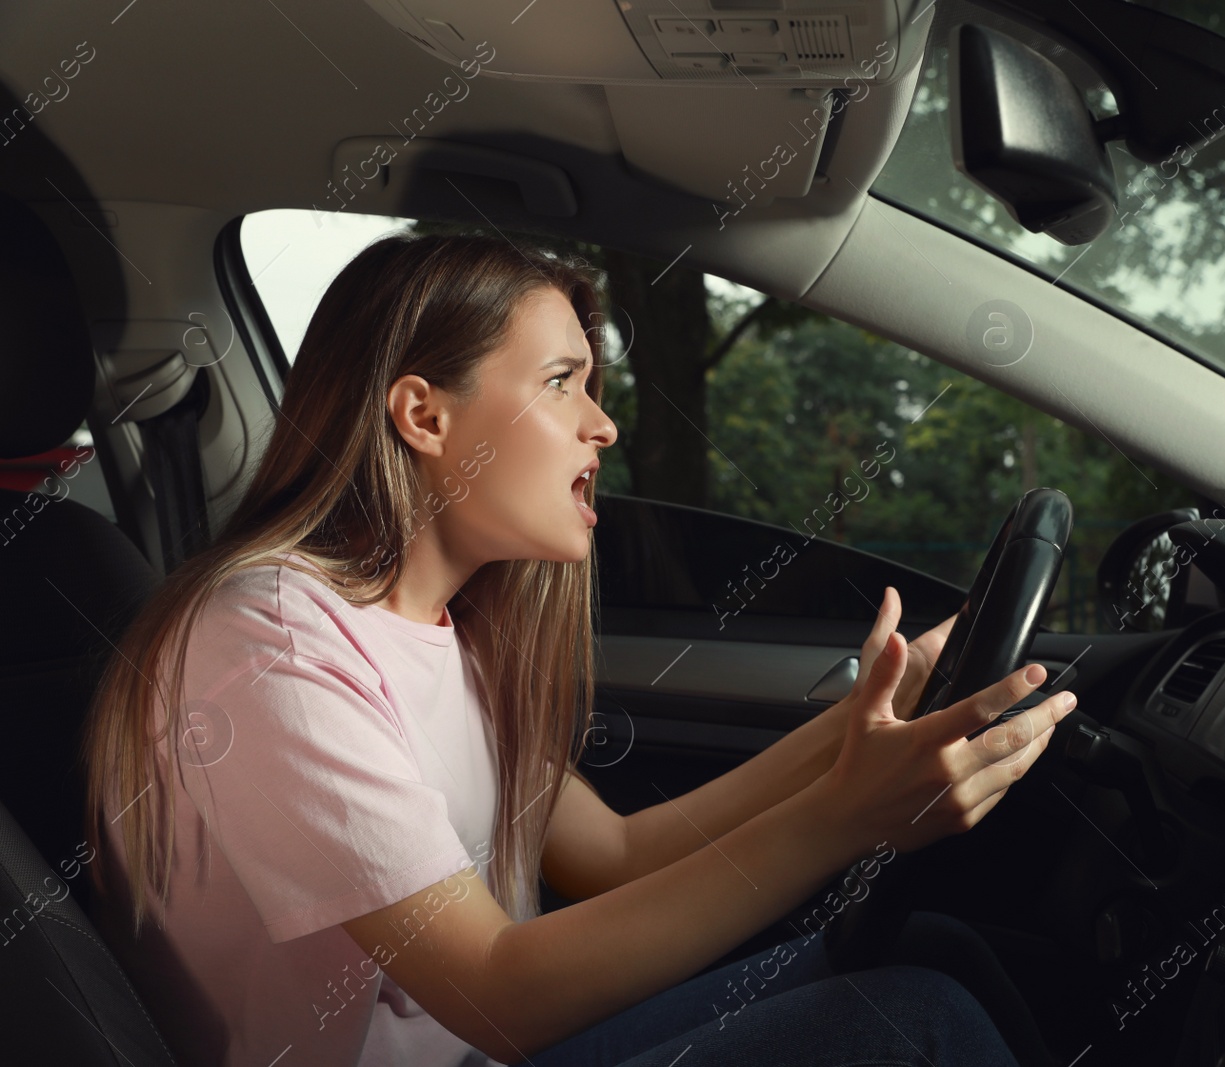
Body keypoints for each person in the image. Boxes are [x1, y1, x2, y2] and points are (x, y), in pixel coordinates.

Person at [80, 231, 1077, 1067]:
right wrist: (846, 814)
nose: (602, 424)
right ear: (424, 414)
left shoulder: (446, 629)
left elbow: (614, 852)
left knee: (936, 950)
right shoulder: (272, 648)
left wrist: (869, 726)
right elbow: (494, 990)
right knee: (916, 1022)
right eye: (562, 382)